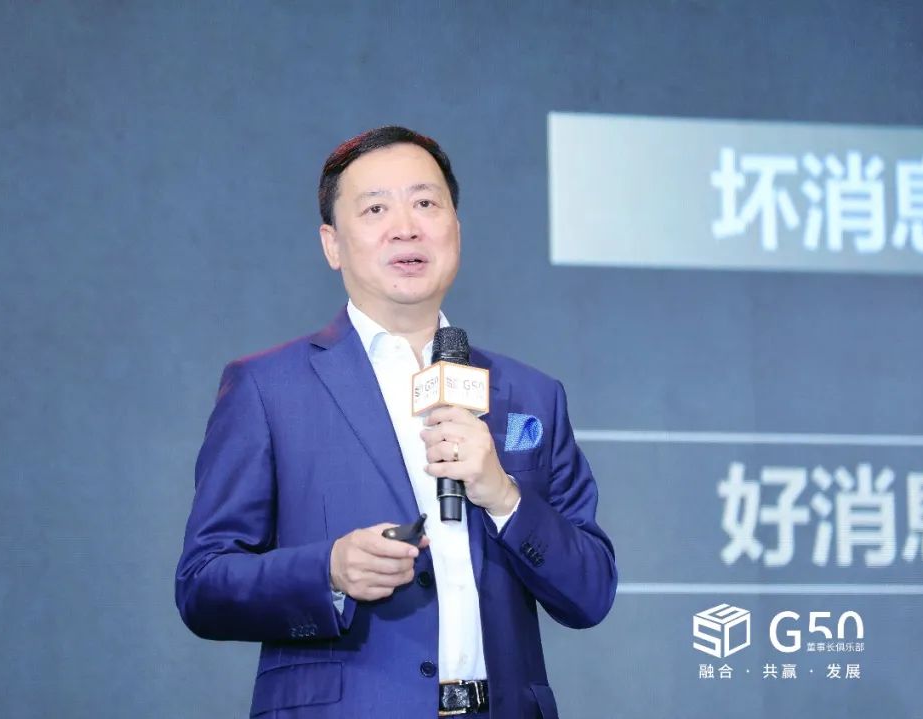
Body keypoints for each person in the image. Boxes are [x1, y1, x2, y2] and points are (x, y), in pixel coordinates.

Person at [175, 126, 617, 718]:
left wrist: (504, 497)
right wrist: (328, 571)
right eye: (376, 209)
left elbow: (591, 593)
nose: (406, 227)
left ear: (456, 229)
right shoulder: (267, 388)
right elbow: (203, 585)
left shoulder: (532, 394)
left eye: (426, 203)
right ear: (332, 244)